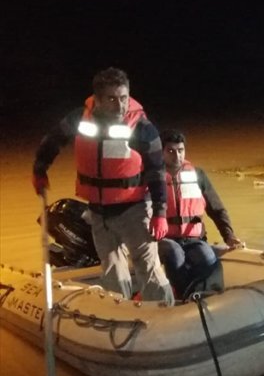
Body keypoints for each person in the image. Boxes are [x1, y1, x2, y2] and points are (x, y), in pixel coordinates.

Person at [32, 67, 173, 303]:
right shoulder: (79, 118)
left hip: (135, 209)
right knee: (111, 270)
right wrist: (39, 169)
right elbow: (53, 140)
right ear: (96, 100)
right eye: (112, 99)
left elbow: (157, 171)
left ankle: (165, 314)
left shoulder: (141, 127)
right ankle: (120, 317)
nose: (120, 106)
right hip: (98, 211)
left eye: (124, 98)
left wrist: (160, 213)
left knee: (148, 268)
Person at [158, 130, 244, 298]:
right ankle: (183, 299)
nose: (177, 156)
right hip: (164, 239)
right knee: (175, 253)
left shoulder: (198, 175)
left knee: (208, 259)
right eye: (170, 151)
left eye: (180, 150)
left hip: (194, 239)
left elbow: (217, 209)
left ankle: (206, 296)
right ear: (161, 152)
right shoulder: (152, 178)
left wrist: (229, 236)